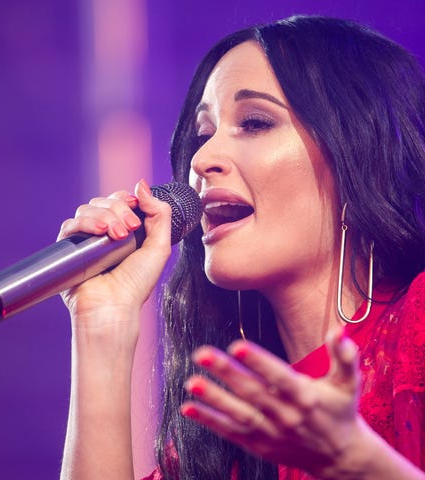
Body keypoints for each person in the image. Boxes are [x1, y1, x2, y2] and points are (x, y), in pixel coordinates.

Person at [58, 15, 425, 480]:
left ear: (358, 157)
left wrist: (359, 464)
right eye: (203, 134)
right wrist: (101, 325)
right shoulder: (228, 427)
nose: (201, 159)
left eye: (254, 123)